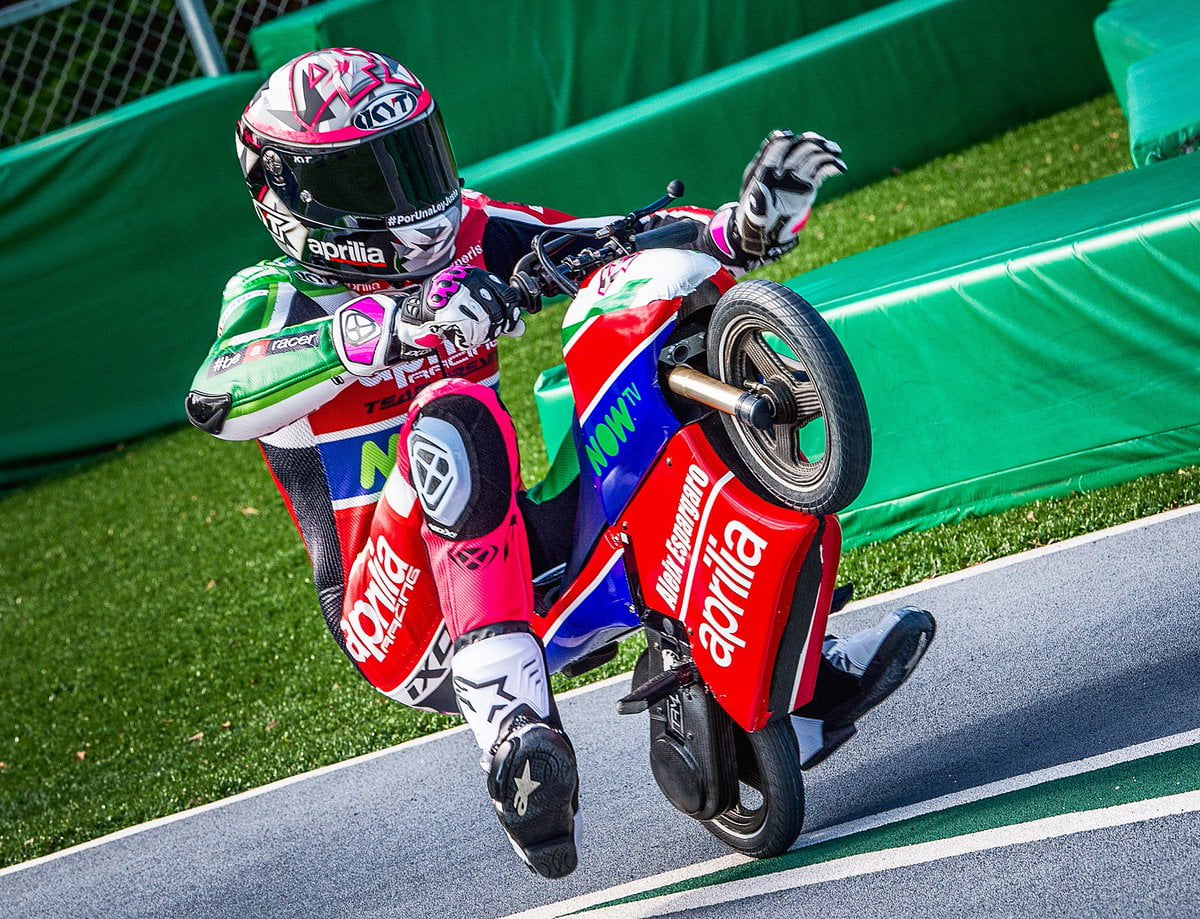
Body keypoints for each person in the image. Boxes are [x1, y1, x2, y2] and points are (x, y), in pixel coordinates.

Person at [186, 48, 935, 879]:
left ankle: (788, 680)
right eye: (373, 178)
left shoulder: (467, 229)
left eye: (414, 157)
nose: (409, 198)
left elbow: (604, 241)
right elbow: (220, 395)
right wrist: (379, 332)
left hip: (514, 548)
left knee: (652, 333)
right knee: (456, 417)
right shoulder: (272, 296)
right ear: (295, 198)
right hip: (399, 617)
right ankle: (514, 737)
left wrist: (742, 228)